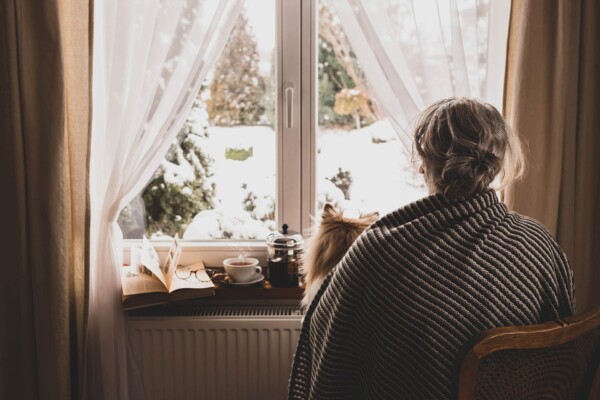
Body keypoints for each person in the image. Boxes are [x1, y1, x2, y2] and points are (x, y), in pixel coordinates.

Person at [288, 97, 575, 400]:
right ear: (496, 162)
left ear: (424, 165)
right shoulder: (539, 242)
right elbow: (561, 355)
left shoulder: (381, 251)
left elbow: (332, 353)